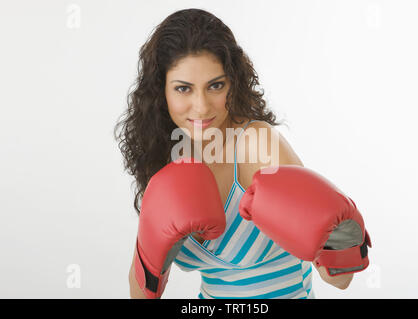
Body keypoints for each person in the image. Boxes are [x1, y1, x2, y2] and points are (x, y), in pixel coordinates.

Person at [114, 8, 366, 299]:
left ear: (233, 81)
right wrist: (153, 259)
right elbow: (141, 293)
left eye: (215, 86)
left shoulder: (255, 144)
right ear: (161, 92)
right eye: (183, 89)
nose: (201, 106)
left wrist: (342, 235)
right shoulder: (167, 158)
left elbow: (340, 279)